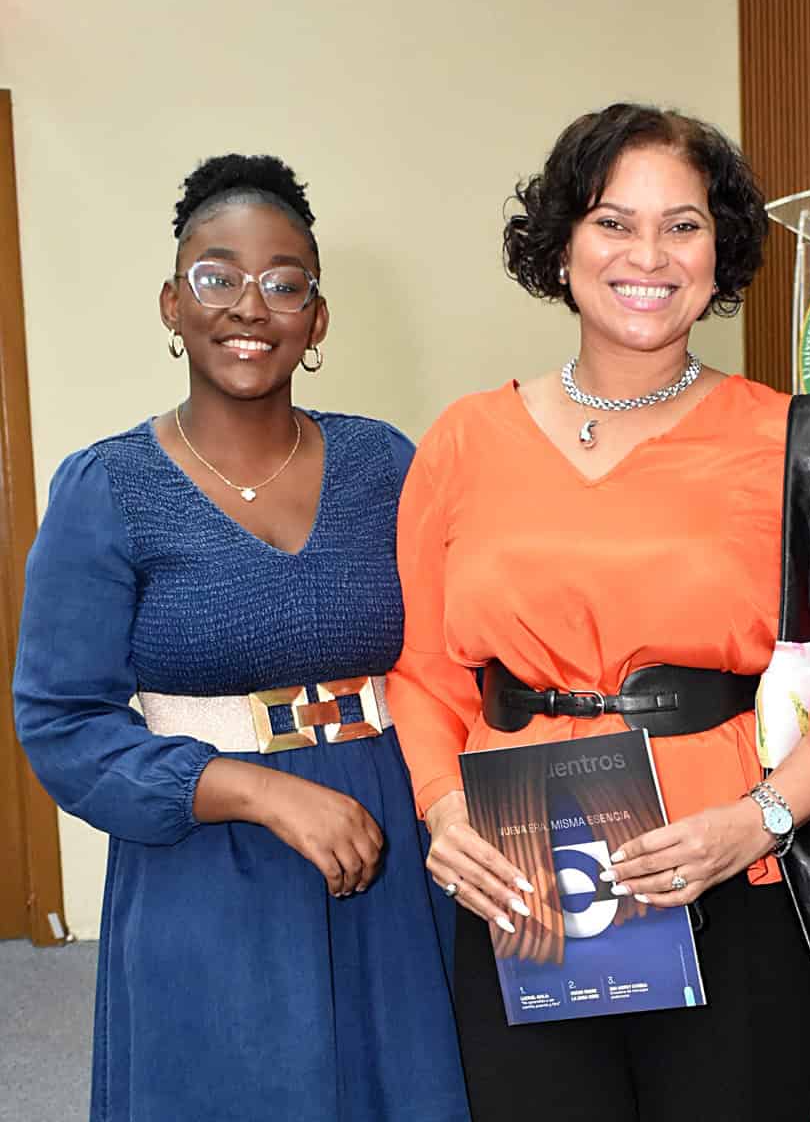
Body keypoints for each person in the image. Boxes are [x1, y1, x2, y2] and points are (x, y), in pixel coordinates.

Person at [386, 103, 810, 1121]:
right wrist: (442, 809)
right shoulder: (463, 441)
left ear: (721, 250)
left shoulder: (793, 443)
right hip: (521, 881)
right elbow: (421, 669)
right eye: (611, 221)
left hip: (727, 875)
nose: (648, 255)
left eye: (682, 224)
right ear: (561, 244)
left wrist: (758, 821)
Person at [12, 155, 469, 1122]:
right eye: (218, 277)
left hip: (383, 845)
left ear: (317, 319)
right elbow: (60, 723)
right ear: (174, 303)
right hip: (202, 857)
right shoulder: (108, 489)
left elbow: (457, 644)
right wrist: (258, 791)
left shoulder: (387, 463)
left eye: (283, 282)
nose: (249, 306)